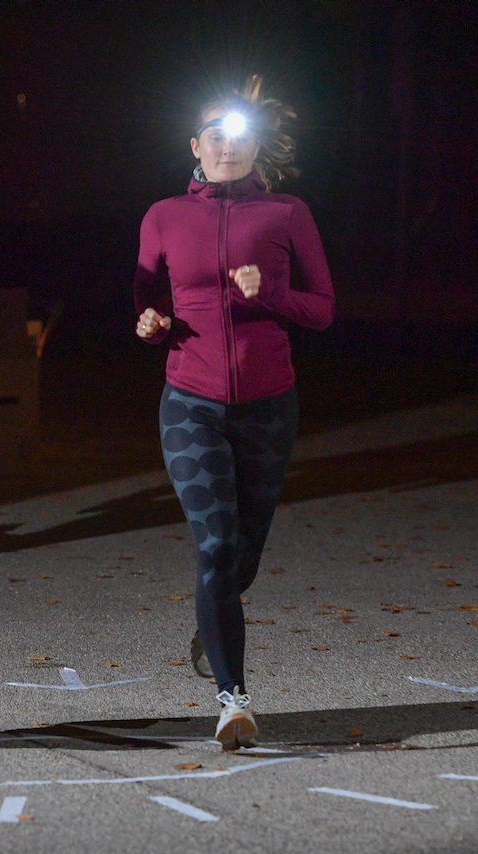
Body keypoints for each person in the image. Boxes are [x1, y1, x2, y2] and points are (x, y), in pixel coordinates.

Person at [133, 77, 334, 750]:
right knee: (215, 546)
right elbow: (142, 297)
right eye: (213, 134)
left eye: (238, 134)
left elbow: (324, 308)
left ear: (256, 146)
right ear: (195, 145)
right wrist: (152, 323)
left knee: (242, 553)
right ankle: (233, 700)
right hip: (189, 402)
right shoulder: (163, 214)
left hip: (268, 406)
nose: (226, 145)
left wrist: (270, 291)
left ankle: (212, 618)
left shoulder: (286, 213)